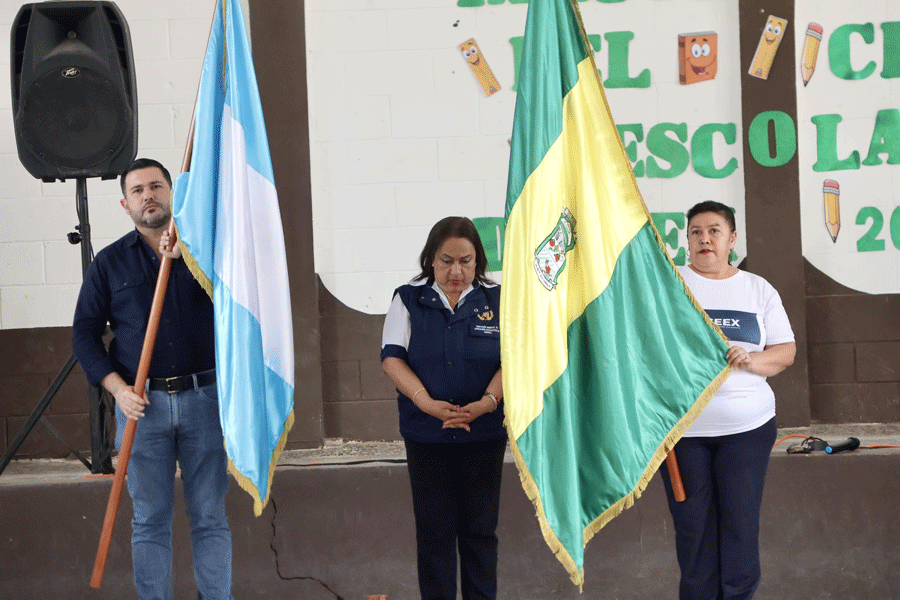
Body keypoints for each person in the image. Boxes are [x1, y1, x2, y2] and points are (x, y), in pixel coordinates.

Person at [72, 158, 233, 600]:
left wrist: (191, 257)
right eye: (138, 190)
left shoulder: (207, 250)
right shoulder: (109, 263)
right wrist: (118, 390)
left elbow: (239, 300)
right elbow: (84, 334)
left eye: (157, 186)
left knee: (209, 517)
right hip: (142, 409)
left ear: (172, 194)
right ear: (126, 205)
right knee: (149, 520)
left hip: (205, 401)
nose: (149, 195)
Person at [660, 200, 796, 600]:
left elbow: (785, 351)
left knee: (740, 526)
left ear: (732, 239)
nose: (705, 239)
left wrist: (752, 360)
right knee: (693, 530)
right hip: (683, 433)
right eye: (696, 232)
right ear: (687, 240)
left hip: (747, 431)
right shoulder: (668, 284)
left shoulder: (757, 288)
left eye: (714, 231)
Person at [381, 216, 507, 600]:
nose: (456, 271)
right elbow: (391, 359)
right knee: (434, 535)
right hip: (427, 436)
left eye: (465, 261)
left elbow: (514, 360)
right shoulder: (408, 299)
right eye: (446, 261)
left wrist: (488, 402)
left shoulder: (499, 299)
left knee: (480, 533)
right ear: (431, 260)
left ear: (477, 260)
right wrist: (426, 403)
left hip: (483, 435)